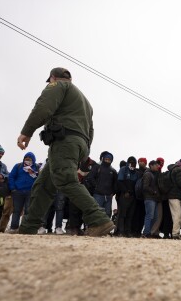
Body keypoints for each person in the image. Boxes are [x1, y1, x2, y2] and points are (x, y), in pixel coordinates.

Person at [16, 67, 114, 236]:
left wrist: (27, 130)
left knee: (65, 180)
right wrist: (84, 151)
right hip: (78, 144)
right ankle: (28, 227)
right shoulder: (86, 102)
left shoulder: (58, 86)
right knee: (44, 186)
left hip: (64, 141)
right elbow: (91, 130)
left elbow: (43, 107)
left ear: (53, 78)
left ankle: (99, 219)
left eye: (50, 81)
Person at [7, 152, 39, 233]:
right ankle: (14, 228)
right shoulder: (18, 166)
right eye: (26, 158)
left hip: (30, 192)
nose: (27, 159)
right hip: (18, 191)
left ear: (33, 160)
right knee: (16, 210)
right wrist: (13, 188)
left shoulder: (37, 167)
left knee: (28, 211)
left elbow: (39, 179)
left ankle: (25, 228)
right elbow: (11, 177)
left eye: (29, 158)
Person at [87, 151, 118, 217]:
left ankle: (105, 227)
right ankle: (94, 226)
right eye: (106, 159)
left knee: (107, 213)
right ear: (103, 159)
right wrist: (96, 187)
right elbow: (91, 177)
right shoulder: (97, 167)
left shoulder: (113, 171)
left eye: (109, 160)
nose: (107, 161)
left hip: (108, 196)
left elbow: (115, 183)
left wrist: (113, 192)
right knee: (96, 212)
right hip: (98, 194)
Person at [142, 160, 161, 238]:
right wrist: (154, 192)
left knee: (155, 216)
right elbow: (145, 187)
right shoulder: (148, 174)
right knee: (149, 215)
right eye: (156, 165)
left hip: (154, 199)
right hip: (149, 198)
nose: (158, 167)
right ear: (151, 165)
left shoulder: (153, 174)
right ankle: (146, 233)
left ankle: (149, 232)